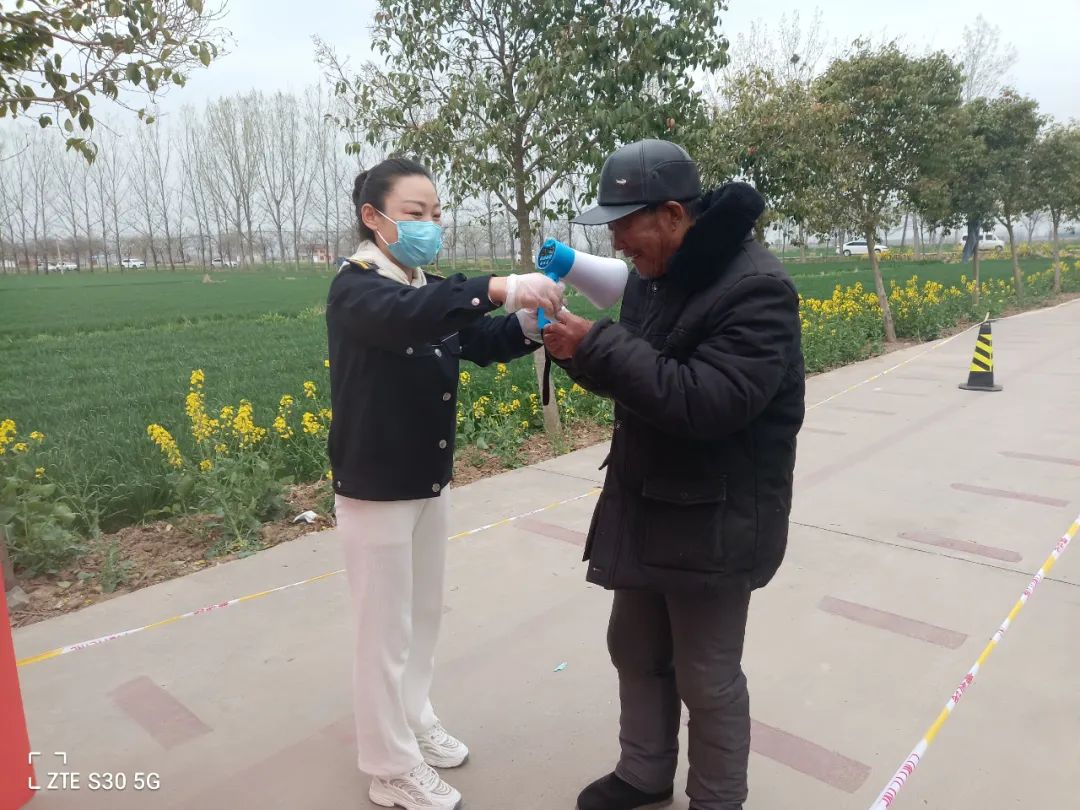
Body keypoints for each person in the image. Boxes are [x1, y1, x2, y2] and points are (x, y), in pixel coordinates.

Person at [542, 140, 805, 810]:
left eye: (625, 224)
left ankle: (717, 798)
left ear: (673, 214)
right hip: (649, 497)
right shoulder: (657, 274)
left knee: (706, 675)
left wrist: (598, 343)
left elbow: (706, 402)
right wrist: (576, 353)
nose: (617, 242)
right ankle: (644, 772)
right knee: (632, 646)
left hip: (718, 515)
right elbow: (644, 382)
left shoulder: (756, 289)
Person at [325, 156, 564, 810]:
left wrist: (526, 323)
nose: (430, 224)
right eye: (414, 213)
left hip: (429, 480)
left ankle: (413, 718)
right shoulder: (358, 290)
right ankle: (388, 768)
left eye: (435, 213)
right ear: (373, 217)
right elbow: (413, 316)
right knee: (382, 632)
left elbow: (473, 341)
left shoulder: (420, 285)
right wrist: (499, 285)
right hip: (376, 488)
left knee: (422, 616)